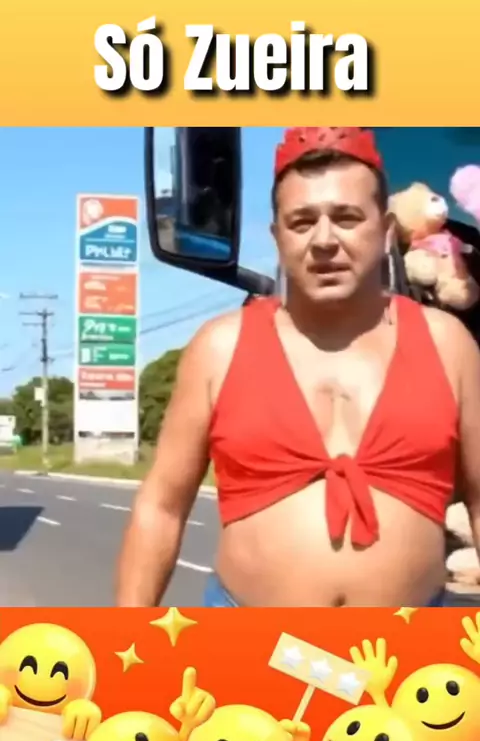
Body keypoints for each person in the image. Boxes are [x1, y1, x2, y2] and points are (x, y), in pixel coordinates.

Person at [116, 127, 480, 607]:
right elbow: (161, 506)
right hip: (245, 639)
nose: (324, 240)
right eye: (302, 222)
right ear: (277, 236)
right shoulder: (220, 347)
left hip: (410, 645)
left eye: (347, 218)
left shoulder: (446, 342)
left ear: (386, 230)